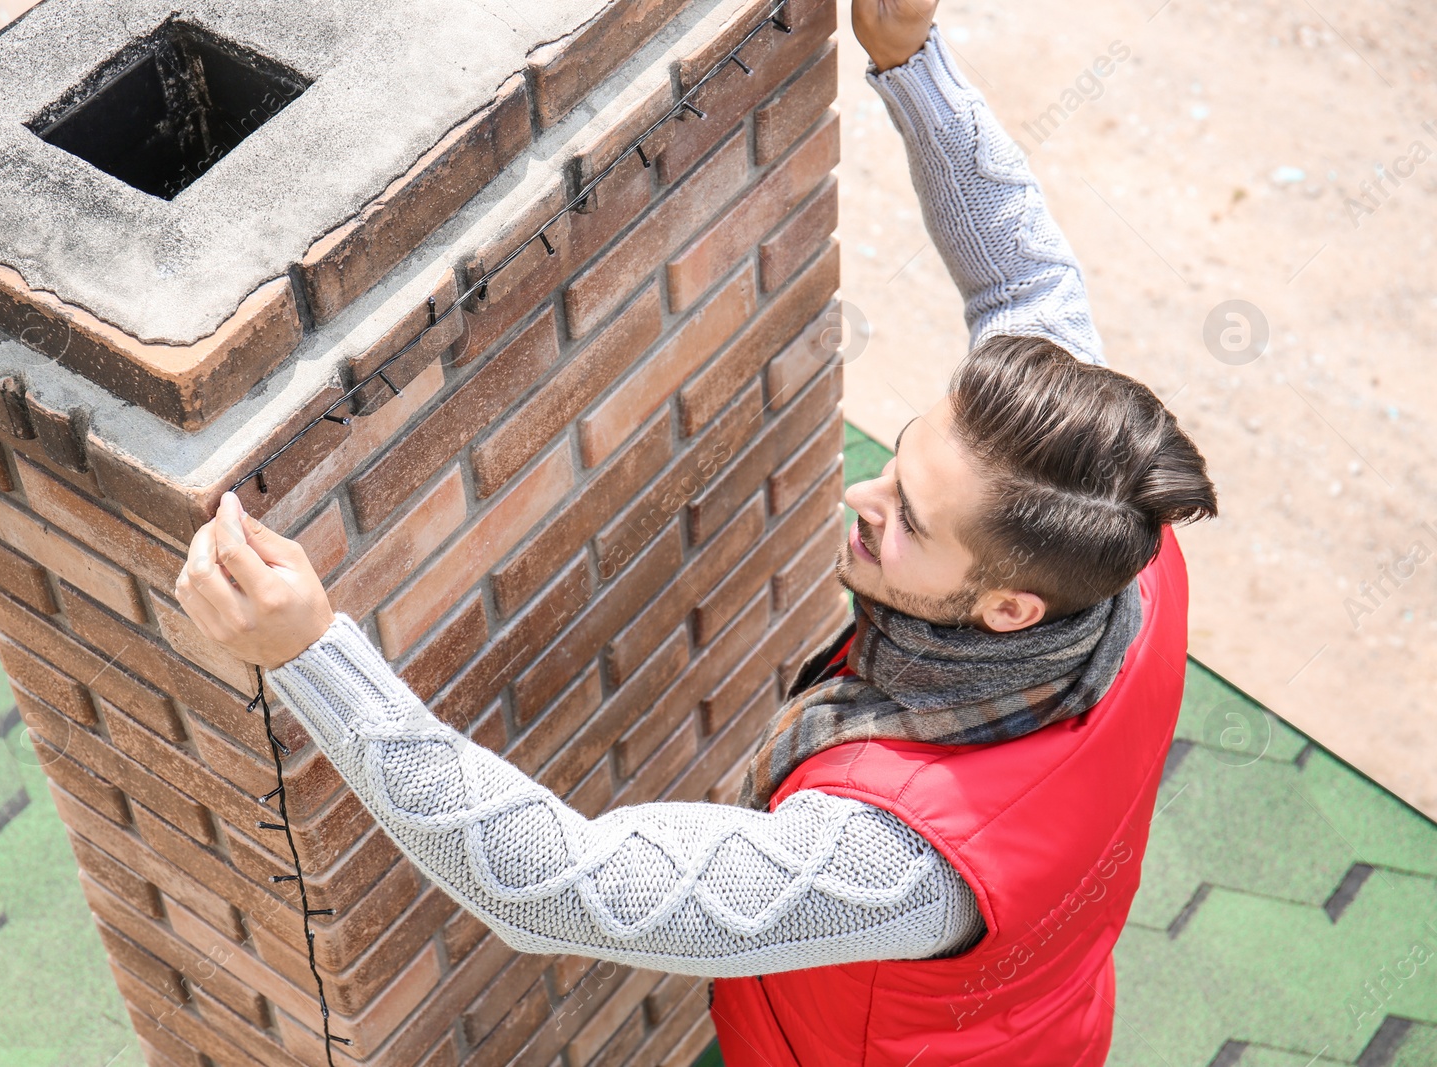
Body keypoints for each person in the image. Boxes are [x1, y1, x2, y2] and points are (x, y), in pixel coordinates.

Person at [176, 2, 1217, 1063]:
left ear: (1007, 606)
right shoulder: (1114, 541)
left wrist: (311, 656)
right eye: (896, 460)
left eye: (904, 521)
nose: (860, 495)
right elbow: (1024, 283)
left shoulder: (892, 857)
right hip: (1050, 1004)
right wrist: (911, 61)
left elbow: (564, 891)